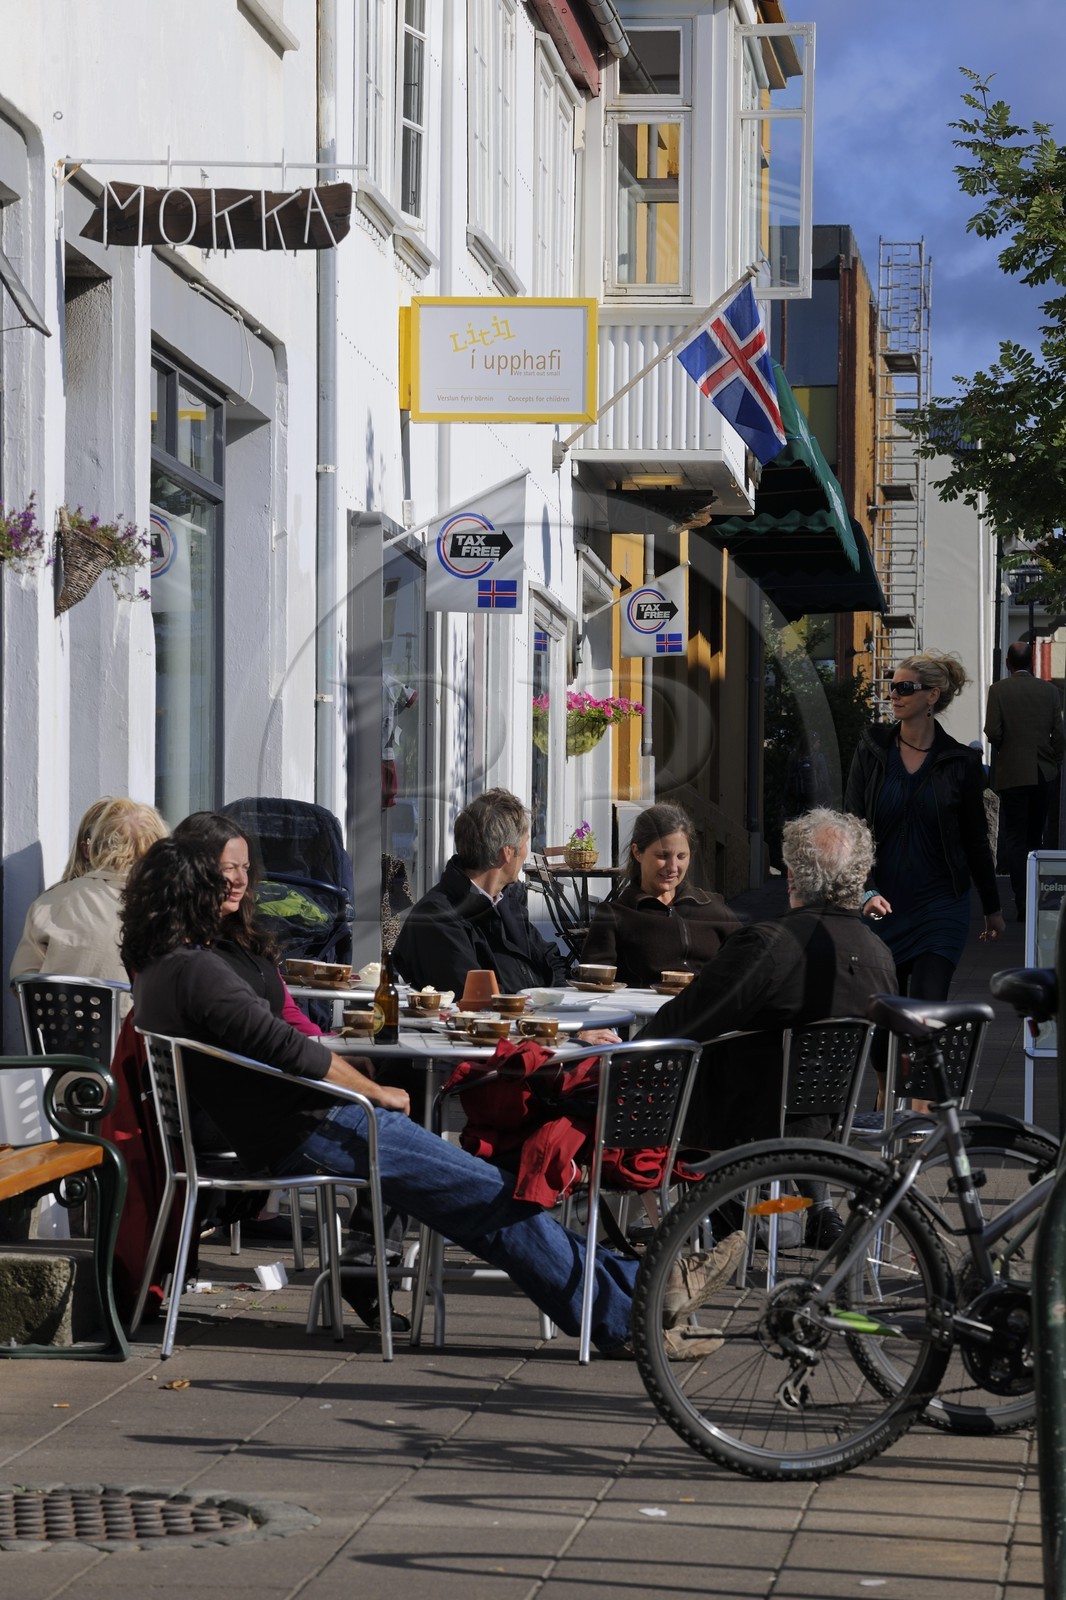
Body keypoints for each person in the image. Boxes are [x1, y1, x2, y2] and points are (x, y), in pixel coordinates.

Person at [121, 829, 740, 1360]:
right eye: (223, 875)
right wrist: (374, 1091)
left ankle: (639, 1295)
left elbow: (283, 1038)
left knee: (487, 1192)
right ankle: (633, 1306)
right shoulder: (195, 969)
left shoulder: (170, 966)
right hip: (305, 1131)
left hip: (302, 1124)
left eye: (241, 871)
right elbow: (289, 1049)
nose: (238, 884)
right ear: (190, 886)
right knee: (489, 1193)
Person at [636, 809, 898, 1243]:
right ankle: (775, 1211)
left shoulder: (767, 945)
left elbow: (681, 1026)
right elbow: (887, 1055)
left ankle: (688, 1222)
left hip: (737, 1120)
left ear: (792, 875)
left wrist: (626, 1054)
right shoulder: (879, 954)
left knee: (629, 1080)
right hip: (829, 1122)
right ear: (859, 876)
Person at [845, 652, 1004, 1016]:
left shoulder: (960, 763)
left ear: (932, 696)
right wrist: (865, 889)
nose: (893, 695)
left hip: (940, 904)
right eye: (891, 686)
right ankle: (891, 1076)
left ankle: (919, 1074)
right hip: (881, 905)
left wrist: (992, 907)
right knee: (884, 1021)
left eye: (904, 688)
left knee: (926, 1014)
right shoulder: (871, 748)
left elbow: (975, 838)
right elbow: (852, 828)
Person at [392, 788, 570, 995]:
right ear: (507, 853)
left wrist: (560, 1008)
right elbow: (477, 997)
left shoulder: (506, 901)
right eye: (525, 843)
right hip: (493, 1025)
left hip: (535, 1021)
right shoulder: (438, 916)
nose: (527, 853)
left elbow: (552, 959)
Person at [10, 797, 169, 1012]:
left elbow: (23, 981)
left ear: (90, 848)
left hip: (60, 1041)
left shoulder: (49, 903)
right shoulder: (169, 904)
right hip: (139, 1041)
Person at [579, 803, 740, 986]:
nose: (672, 868)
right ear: (637, 852)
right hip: (648, 1013)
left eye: (681, 856)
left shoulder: (712, 907)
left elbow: (750, 960)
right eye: (663, 856)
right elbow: (593, 985)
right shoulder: (614, 915)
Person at [984, 640, 1066, 922]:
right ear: (1032, 663)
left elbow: (992, 732)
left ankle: (1022, 900)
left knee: (1015, 838)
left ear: (1008, 663)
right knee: (1037, 837)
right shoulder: (1050, 692)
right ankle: (1041, 896)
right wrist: (1053, 761)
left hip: (1013, 774)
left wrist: (1010, 747)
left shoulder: (998, 690)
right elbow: (1060, 735)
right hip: (1043, 773)